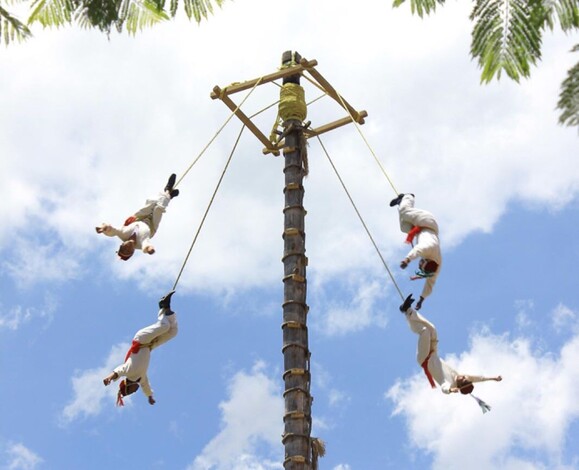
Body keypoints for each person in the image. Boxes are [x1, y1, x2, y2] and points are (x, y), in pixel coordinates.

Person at [399, 294, 502, 412]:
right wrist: (493, 378)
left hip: (425, 359)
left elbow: (444, 388)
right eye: (465, 378)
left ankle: (407, 312)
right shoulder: (462, 377)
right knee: (432, 328)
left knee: (424, 331)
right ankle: (408, 309)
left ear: (458, 385)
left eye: (462, 380)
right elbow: (478, 378)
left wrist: (450, 391)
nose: (462, 376)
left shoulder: (449, 383)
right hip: (433, 352)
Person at [103, 291, 179, 406]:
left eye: (131, 392)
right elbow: (146, 387)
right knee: (172, 332)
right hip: (150, 345)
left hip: (141, 340)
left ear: (128, 386)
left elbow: (118, 371)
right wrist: (150, 396)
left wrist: (109, 378)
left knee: (165, 326)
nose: (134, 391)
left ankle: (162, 308)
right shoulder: (141, 378)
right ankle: (166, 307)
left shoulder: (129, 372)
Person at [95, 173, 180, 261]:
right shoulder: (140, 244)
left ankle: (168, 192)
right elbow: (146, 245)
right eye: (129, 250)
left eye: (125, 249)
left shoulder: (123, 234)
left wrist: (104, 228)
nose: (128, 247)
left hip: (139, 218)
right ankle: (168, 193)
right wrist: (149, 249)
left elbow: (112, 230)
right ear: (133, 251)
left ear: (122, 245)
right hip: (151, 226)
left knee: (151, 202)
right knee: (158, 208)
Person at [390, 193, 441, 310]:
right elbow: (417, 250)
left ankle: (400, 201)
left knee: (403, 226)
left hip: (419, 228)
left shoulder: (437, 265)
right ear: (425, 261)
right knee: (404, 211)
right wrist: (407, 260)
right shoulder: (427, 248)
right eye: (421, 264)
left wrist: (421, 299)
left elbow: (430, 284)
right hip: (425, 221)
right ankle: (408, 196)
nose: (419, 264)